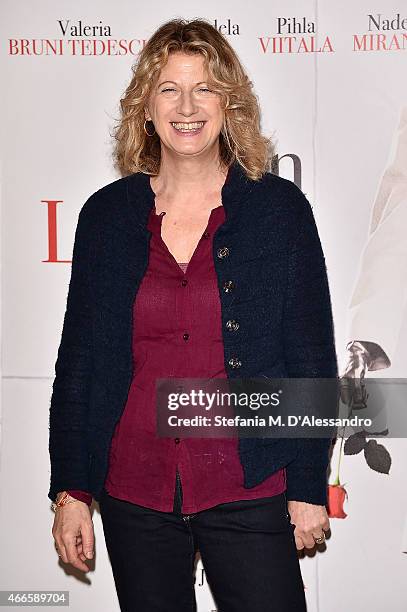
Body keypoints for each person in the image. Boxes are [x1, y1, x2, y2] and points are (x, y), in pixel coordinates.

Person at [49, 18, 338, 612]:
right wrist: (71, 489)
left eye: (204, 87)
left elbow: (311, 356)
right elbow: (77, 362)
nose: (186, 106)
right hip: (134, 489)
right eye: (169, 88)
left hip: (248, 482)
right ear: (145, 107)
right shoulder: (105, 217)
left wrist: (308, 485)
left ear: (228, 103)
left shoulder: (279, 211)